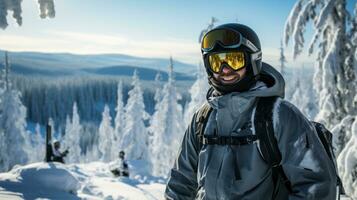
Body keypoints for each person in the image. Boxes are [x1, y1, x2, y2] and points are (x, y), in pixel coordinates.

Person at [165, 23, 337, 199]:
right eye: (216, 62)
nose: (225, 70)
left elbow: (316, 188)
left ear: (252, 60)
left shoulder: (278, 115)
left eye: (234, 60)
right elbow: (181, 182)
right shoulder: (203, 118)